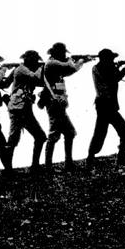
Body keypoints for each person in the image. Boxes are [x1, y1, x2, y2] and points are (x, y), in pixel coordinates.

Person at [41, 42, 90, 170]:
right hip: (54, 102)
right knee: (54, 135)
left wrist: (81, 62)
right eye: (63, 53)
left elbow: (69, 70)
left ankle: (68, 163)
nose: (64, 55)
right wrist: (76, 61)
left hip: (59, 102)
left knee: (69, 132)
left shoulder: (56, 64)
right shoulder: (52, 63)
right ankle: (48, 166)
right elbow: (70, 68)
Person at [86, 49, 125, 166]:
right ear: (106, 59)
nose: (113, 60)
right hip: (106, 105)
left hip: (106, 105)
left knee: (102, 133)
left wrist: (119, 67)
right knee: (122, 131)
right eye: (111, 58)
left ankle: (92, 158)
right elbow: (114, 79)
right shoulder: (101, 68)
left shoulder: (102, 67)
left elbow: (113, 76)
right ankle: (119, 156)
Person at [6, 50, 47, 172]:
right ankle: (8, 169)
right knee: (13, 140)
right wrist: (42, 67)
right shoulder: (21, 69)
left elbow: (40, 82)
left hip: (24, 108)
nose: (36, 62)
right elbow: (36, 78)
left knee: (40, 137)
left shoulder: (22, 70)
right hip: (18, 108)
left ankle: (35, 166)